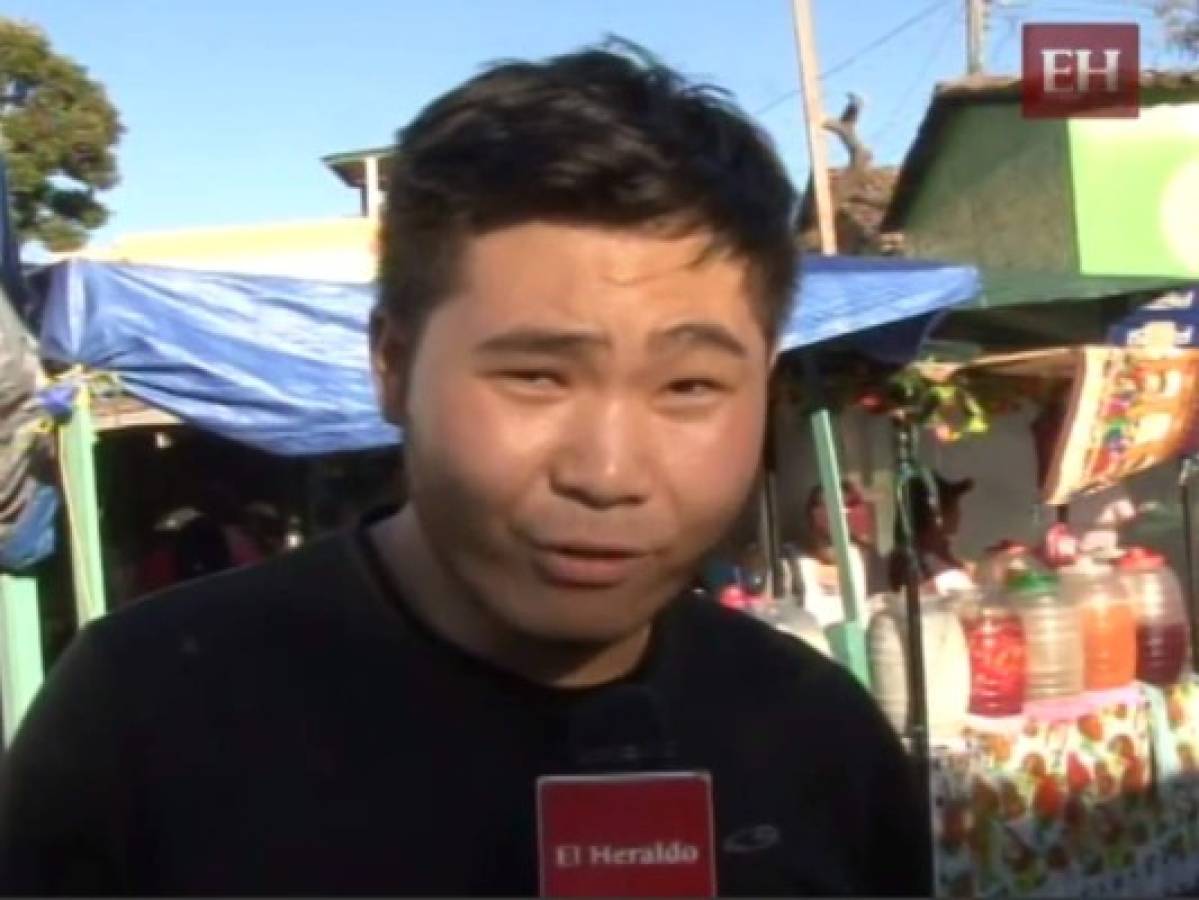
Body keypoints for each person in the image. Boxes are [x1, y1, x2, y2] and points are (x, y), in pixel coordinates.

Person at [0, 42, 930, 896]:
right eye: (534, 376)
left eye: (689, 385)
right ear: (393, 365)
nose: (607, 472)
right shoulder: (141, 717)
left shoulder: (817, 738)